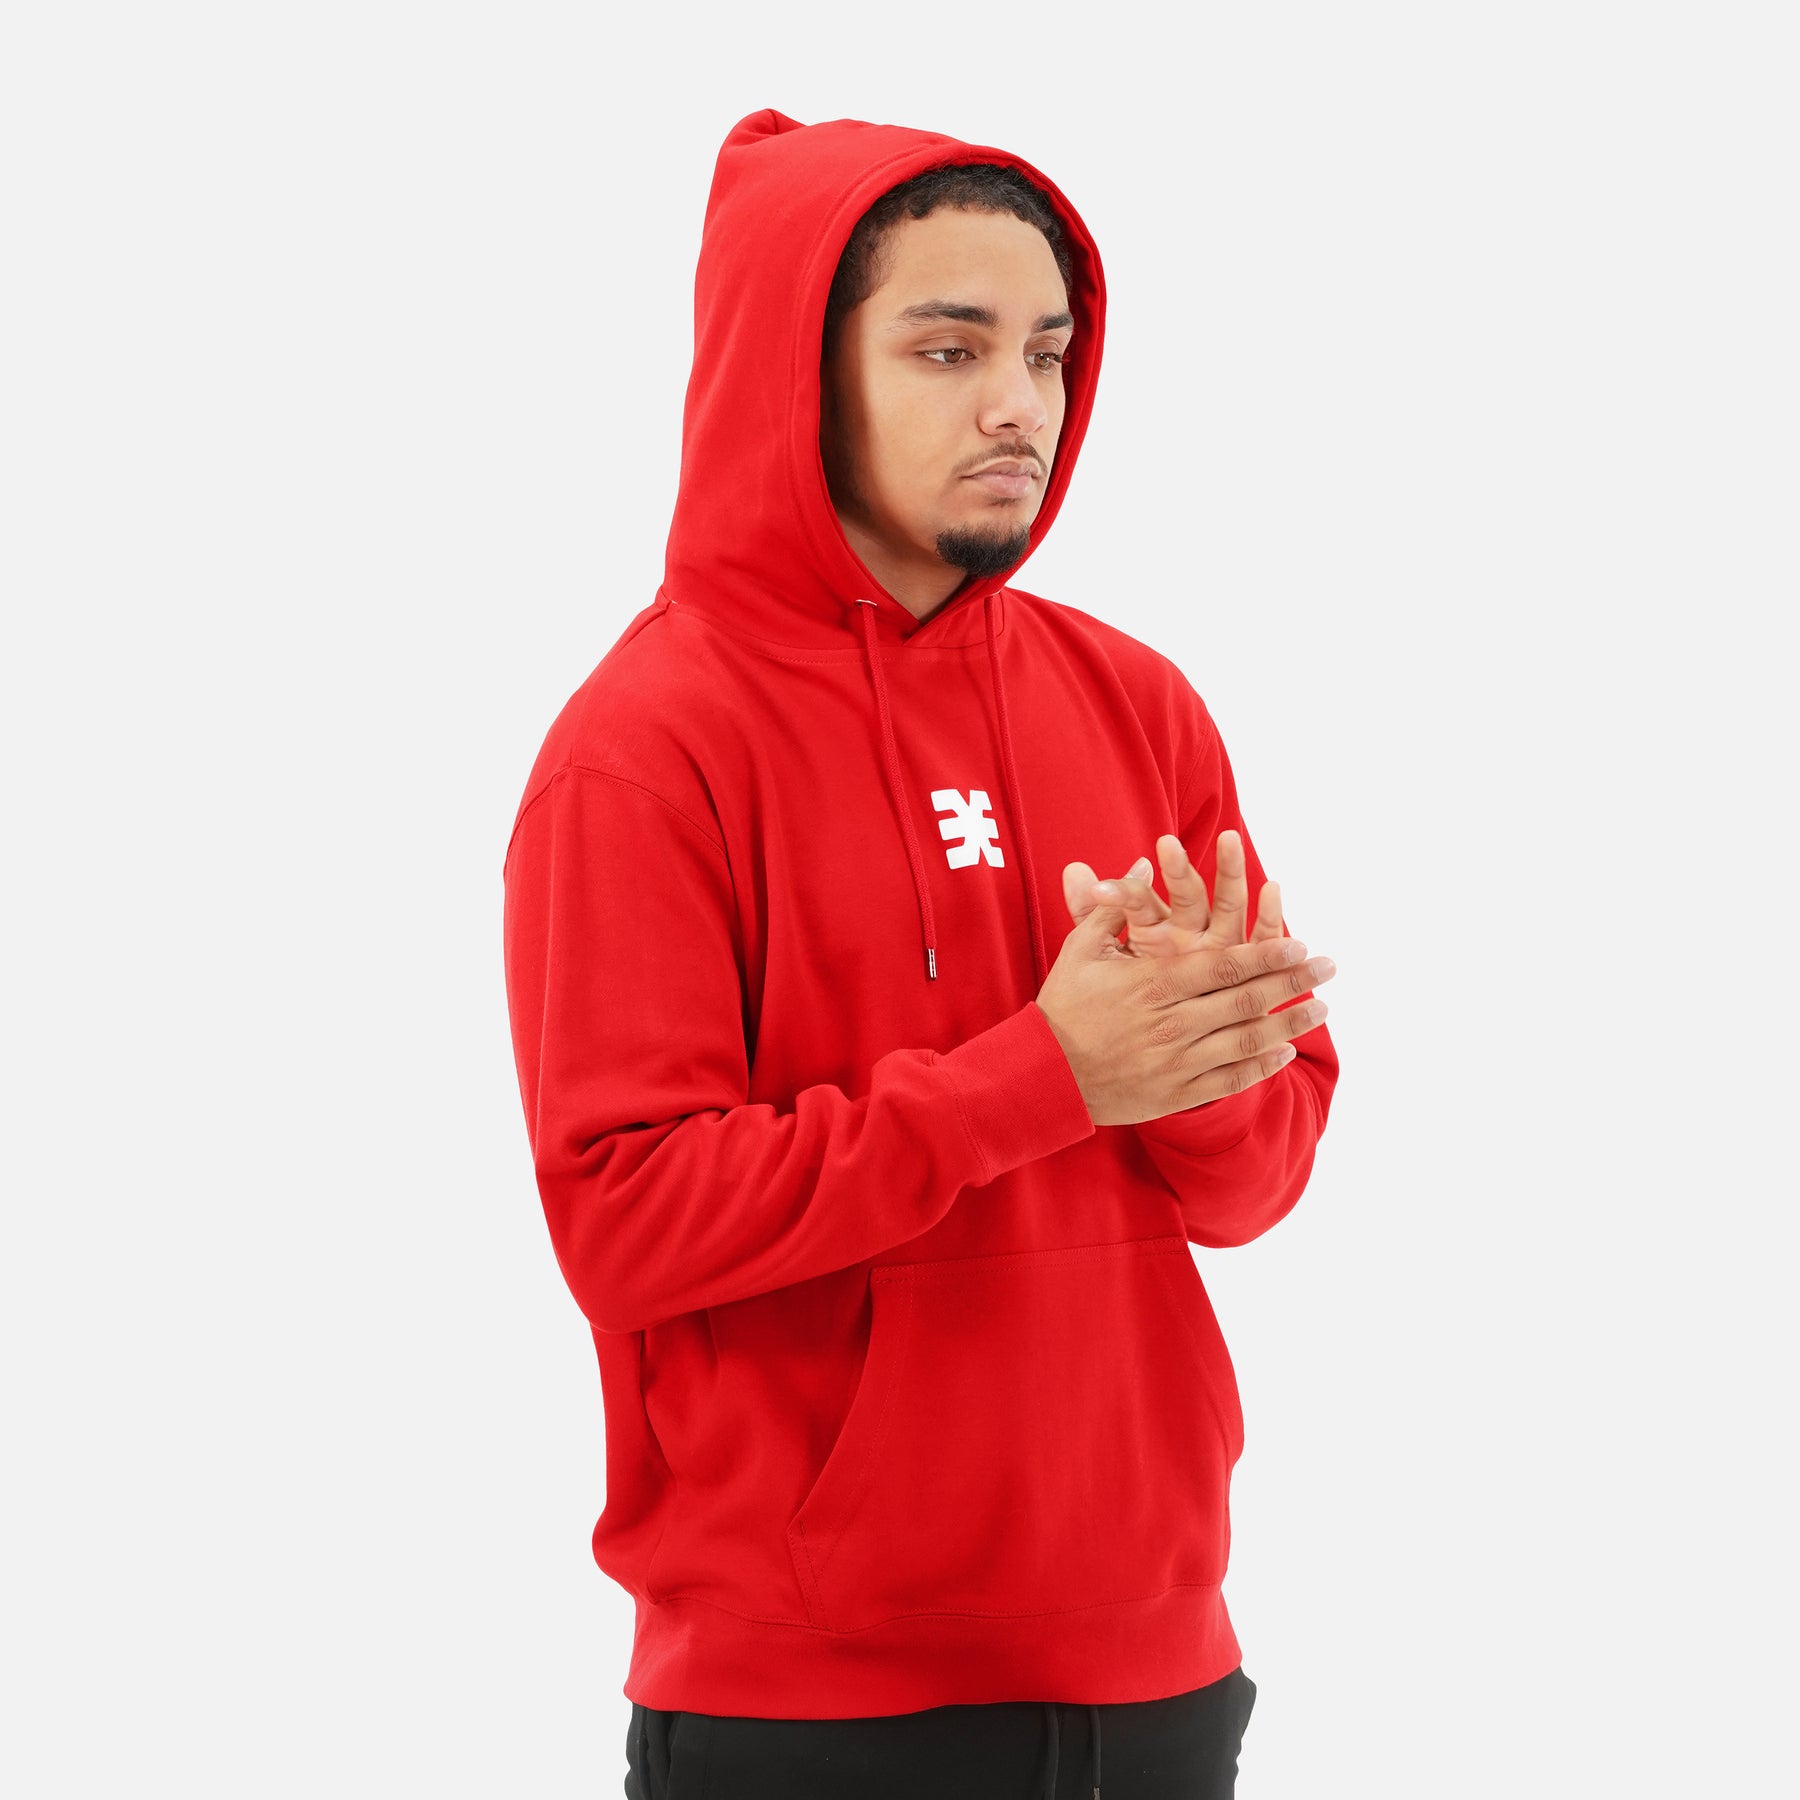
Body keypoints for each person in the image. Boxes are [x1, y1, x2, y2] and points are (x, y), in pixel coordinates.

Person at [502, 108, 1341, 1799]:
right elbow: (626, 1222)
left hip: (1165, 1670)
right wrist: (1048, 1075)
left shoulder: (1137, 701)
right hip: (813, 1708)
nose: (1019, 403)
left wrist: (1199, 1077)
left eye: (1047, 351)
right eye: (948, 350)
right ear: (792, 375)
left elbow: (1256, 1184)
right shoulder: (646, 748)